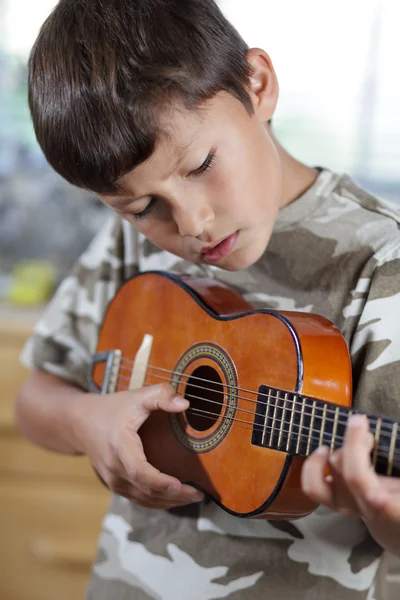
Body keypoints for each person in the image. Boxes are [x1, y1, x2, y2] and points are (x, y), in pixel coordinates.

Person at [15, 0, 400, 598]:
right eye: (143, 208)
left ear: (259, 86)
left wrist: (382, 513)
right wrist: (90, 422)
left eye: (201, 163)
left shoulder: (383, 265)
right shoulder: (127, 246)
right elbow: (35, 399)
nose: (191, 224)